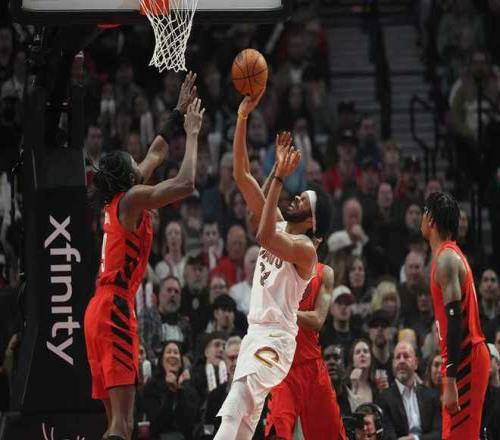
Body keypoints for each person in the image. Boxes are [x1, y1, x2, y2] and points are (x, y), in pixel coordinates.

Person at [84, 72, 202, 440]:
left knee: (116, 425)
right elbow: (185, 183)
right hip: (115, 308)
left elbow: (156, 152)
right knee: (123, 425)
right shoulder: (133, 198)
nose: (140, 163)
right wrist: (193, 133)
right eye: (133, 164)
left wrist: (178, 113)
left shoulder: (122, 199)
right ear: (129, 178)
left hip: (99, 310)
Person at [214, 90, 330, 438]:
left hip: (277, 341)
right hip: (255, 334)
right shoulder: (279, 224)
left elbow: (263, 236)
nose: (296, 198)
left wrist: (278, 176)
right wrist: (242, 117)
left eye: (303, 201)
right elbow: (241, 175)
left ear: (311, 222)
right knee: (243, 424)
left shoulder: (305, 250)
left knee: (236, 402)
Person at [421, 191, 490, 440]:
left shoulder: (447, 259)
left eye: (423, 212)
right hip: (461, 359)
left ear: (430, 218)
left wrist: (450, 379)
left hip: (465, 359)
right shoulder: (448, 256)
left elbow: (455, 320)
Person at [265, 262, 347, 439]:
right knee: (278, 433)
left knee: (331, 435)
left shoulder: (325, 272)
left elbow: (317, 320)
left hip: (312, 366)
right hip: (282, 368)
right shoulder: (274, 270)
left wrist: (285, 311)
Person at [376, 341, 442, 440]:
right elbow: (388, 436)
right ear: (393, 364)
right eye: (398, 357)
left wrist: (415, 439)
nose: (402, 361)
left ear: (416, 363)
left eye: (406, 356)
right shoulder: (384, 399)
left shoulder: (431, 396)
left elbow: (438, 434)